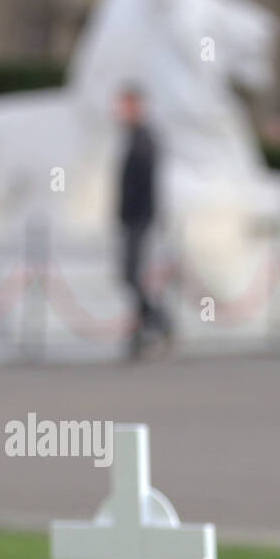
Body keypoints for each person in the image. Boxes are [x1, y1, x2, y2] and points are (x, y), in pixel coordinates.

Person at [115, 84, 172, 359]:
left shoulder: (144, 139)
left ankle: (157, 322)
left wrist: (136, 215)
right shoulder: (135, 137)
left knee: (130, 274)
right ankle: (148, 327)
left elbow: (143, 185)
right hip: (133, 218)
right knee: (130, 275)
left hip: (139, 218)